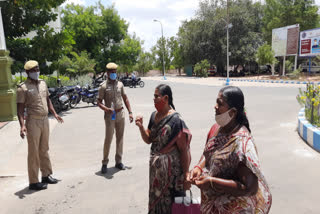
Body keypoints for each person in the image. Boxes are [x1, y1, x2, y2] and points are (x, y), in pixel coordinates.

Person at [187, 86, 272, 213]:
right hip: (213, 206)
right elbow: (209, 152)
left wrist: (212, 182)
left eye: (220, 103)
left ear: (232, 112)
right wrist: (198, 167)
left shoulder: (241, 144)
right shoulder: (216, 129)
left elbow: (251, 188)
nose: (215, 106)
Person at [135, 84, 192, 214]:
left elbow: (184, 150)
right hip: (156, 173)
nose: (154, 99)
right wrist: (140, 127)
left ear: (166, 98)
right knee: (156, 202)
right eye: (153, 97)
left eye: (156, 96)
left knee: (172, 206)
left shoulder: (176, 120)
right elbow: (149, 139)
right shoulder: (154, 116)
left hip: (172, 176)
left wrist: (186, 175)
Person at [16, 60, 64, 191]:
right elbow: (20, 109)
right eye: (33, 70)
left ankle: (46, 175)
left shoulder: (43, 83)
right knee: (33, 152)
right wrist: (22, 125)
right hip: (33, 122)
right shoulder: (22, 88)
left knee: (44, 149)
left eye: (37, 69)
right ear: (27, 72)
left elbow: (47, 100)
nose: (36, 72)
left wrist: (55, 114)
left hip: (44, 120)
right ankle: (33, 182)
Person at [97, 62, 134, 174]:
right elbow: (98, 102)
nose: (114, 74)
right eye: (111, 72)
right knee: (108, 139)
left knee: (120, 138)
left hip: (120, 114)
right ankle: (104, 163)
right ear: (107, 73)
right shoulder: (103, 86)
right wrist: (106, 109)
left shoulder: (120, 84)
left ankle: (118, 161)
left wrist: (130, 112)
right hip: (109, 116)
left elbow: (125, 98)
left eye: (115, 72)